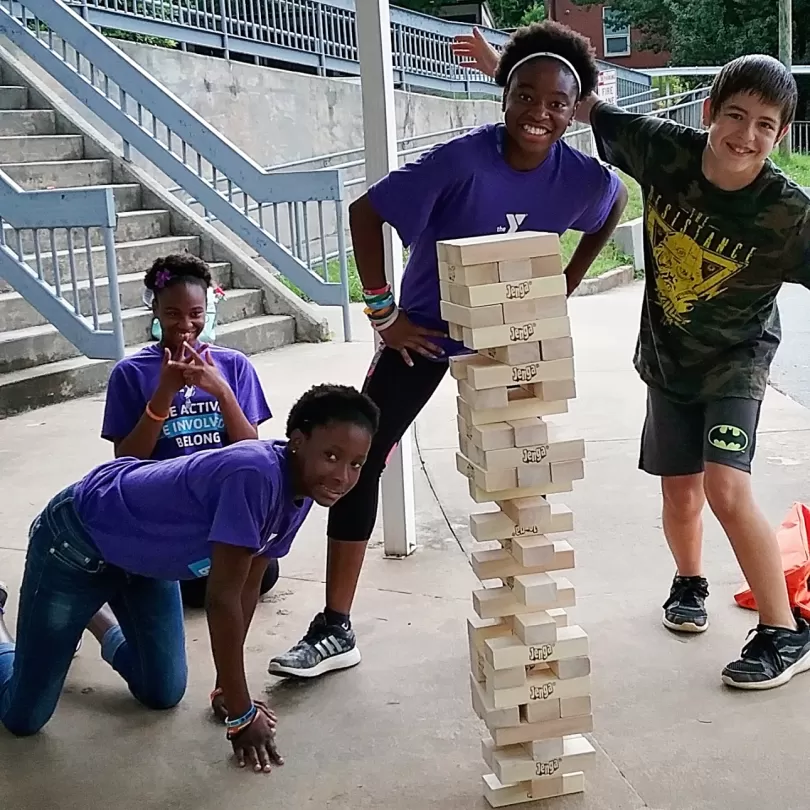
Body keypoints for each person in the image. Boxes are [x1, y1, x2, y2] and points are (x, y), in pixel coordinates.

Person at [267, 21, 628, 680]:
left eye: (556, 102)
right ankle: (334, 627)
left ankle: (533, 614)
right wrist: (383, 313)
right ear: (504, 96)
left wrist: (567, 280)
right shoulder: (461, 161)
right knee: (363, 456)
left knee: (527, 473)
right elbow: (364, 212)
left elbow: (616, 200)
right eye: (526, 95)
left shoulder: (579, 176)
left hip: (509, 332)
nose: (539, 113)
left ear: (574, 110)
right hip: (428, 330)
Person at [454, 35, 810, 691]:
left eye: (765, 125)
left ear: (781, 134)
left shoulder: (788, 214)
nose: (746, 135)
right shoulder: (660, 147)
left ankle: (783, 631)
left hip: (738, 362)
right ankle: (689, 582)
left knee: (725, 486)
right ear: (709, 112)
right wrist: (504, 65)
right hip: (669, 358)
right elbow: (579, 102)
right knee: (679, 491)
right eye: (736, 115)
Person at [0, 384, 379, 772]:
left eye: (356, 464)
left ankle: (90, 615)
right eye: (331, 456)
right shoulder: (255, 475)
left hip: (147, 562)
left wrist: (227, 689)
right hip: (77, 540)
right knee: (24, 716)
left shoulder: (302, 492)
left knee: (161, 692)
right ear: (298, 442)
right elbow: (222, 599)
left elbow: (249, 586)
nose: (342, 477)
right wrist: (242, 714)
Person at [101, 253, 277, 610]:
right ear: (155, 311)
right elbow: (127, 459)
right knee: (171, 582)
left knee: (265, 572)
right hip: (163, 509)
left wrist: (222, 392)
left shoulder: (233, 365)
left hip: (218, 511)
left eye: (196, 314)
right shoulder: (130, 373)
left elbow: (250, 451)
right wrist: (164, 391)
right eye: (173, 314)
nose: (186, 324)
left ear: (207, 310)